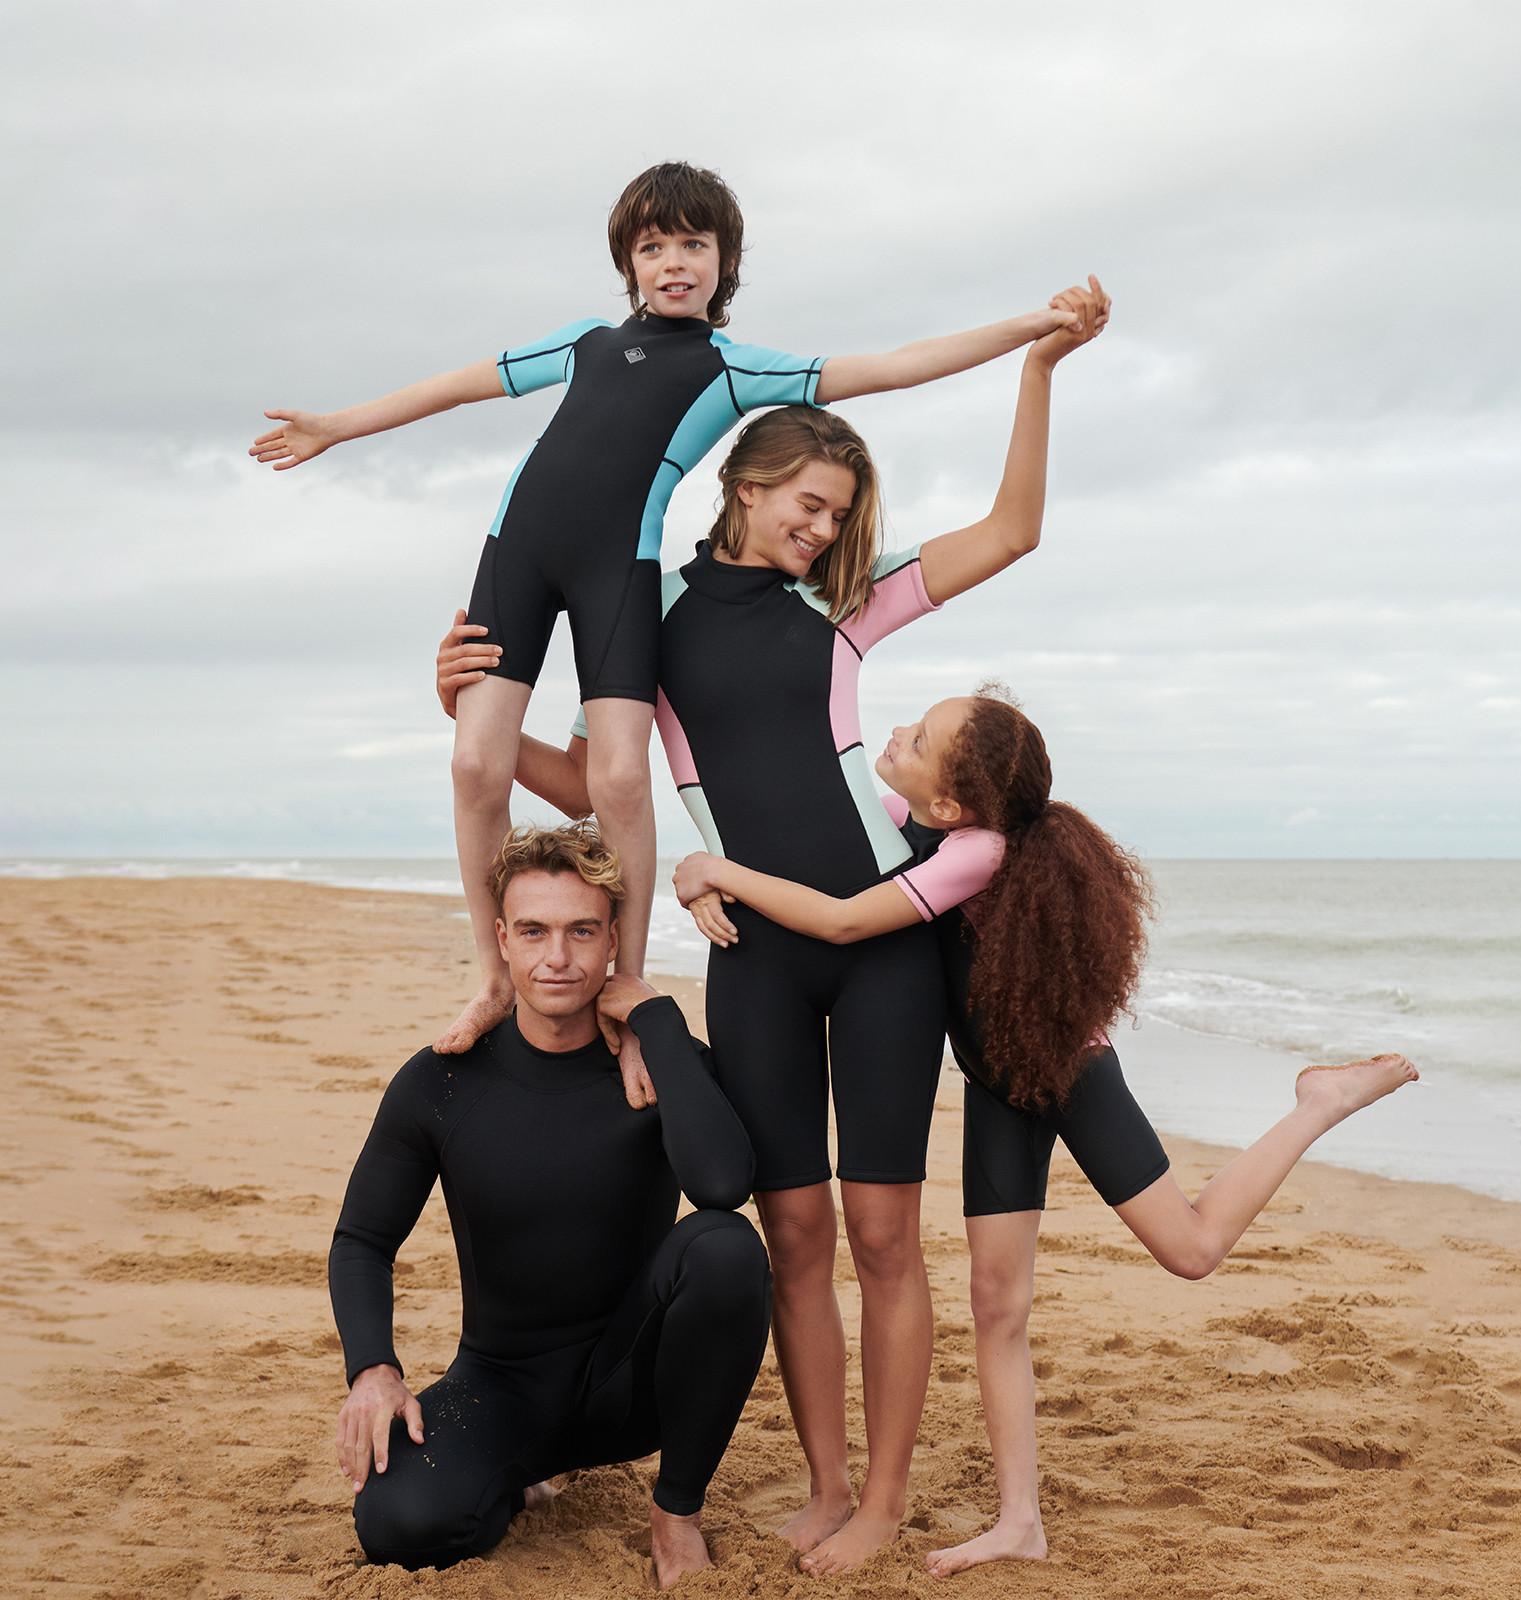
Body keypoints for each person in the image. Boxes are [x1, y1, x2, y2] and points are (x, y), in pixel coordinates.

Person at [432, 283, 1113, 1574]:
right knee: (794, 1235)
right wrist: (466, 712)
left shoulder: (842, 609)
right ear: (744, 485)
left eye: (840, 516)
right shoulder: (654, 635)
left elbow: (1014, 530)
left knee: (880, 1236)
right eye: (808, 503)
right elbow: (592, 785)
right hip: (753, 962)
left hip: (885, 964)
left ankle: (887, 1500)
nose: (821, 528)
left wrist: (1037, 371)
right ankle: (826, 1481)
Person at [249, 159, 1100, 1079]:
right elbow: (457, 386)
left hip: (621, 568)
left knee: (620, 778)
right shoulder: (583, 344)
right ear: (629, 262)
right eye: (654, 247)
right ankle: (492, 975)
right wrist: (336, 427)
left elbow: (891, 368)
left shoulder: (733, 369)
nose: (675, 262)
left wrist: (1032, 331)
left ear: (725, 260)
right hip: (517, 552)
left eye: (696, 244)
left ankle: (629, 979)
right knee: (472, 761)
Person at [670, 685, 1422, 1577]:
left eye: (918, 739)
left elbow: (841, 919)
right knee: (998, 1306)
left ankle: (1316, 1104)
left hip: (1067, 1073)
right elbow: (817, 828)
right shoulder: (918, 819)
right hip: (995, 1085)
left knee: (1192, 1248)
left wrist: (718, 872)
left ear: (953, 804)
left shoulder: (975, 850)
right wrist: (699, 858)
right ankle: (1019, 1520)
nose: (898, 733)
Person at [327, 822, 770, 1588]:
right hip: (501, 1386)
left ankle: (676, 1511)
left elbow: (724, 1184)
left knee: (726, 1247)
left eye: (581, 931)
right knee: (397, 1525)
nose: (557, 958)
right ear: (502, 939)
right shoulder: (444, 1081)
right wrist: (374, 1369)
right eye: (533, 931)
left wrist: (655, 1020)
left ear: (611, 941)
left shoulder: (656, 1061)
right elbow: (362, 1238)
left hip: (638, 1384)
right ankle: (515, 1480)